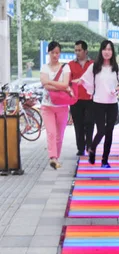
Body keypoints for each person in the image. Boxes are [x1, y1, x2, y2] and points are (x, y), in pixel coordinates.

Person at [79, 40, 119, 168]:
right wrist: (75, 82)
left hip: (112, 103)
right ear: (101, 51)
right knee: (101, 130)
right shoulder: (94, 67)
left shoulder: (117, 68)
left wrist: (117, 89)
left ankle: (105, 160)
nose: (107, 52)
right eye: (105, 49)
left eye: (109, 49)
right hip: (98, 103)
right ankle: (92, 149)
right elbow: (84, 80)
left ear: (112, 52)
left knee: (109, 132)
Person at [40, 41, 73, 169]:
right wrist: (61, 87)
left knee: (60, 135)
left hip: (62, 107)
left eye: (57, 52)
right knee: (51, 133)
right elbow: (45, 85)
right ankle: (52, 157)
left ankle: (56, 158)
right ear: (48, 52)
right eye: (52, 52)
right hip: (47, 106)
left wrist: (50, 82)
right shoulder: (44, 67)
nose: (55, 55)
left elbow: (65, 84)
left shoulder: (66, 67)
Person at [69, 40, 94, 156]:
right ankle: (80, 148)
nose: (77, 52)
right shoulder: (70, 65)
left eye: (79, 50)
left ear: (85, 51)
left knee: (89, 123)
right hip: (76, 99)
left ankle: (89, 146)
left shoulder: (93, 64)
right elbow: (68, 81)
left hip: (90, 99)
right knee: (78, 124)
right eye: (76, 50)